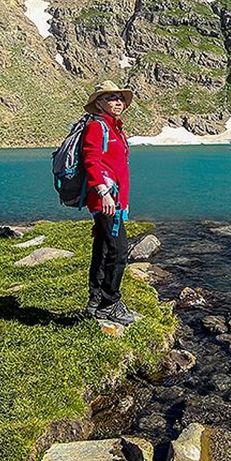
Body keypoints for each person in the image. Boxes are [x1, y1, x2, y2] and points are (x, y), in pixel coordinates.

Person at [80, 80, 138, 325]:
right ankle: (109, 303)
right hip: (105, 198)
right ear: (99, 103)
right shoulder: (97, 126)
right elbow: (90, 159)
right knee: (119, 250)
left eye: (120, 98)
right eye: (111, 98)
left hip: (114, 200)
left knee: (104, 248)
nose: (118, 102)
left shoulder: (115, 128)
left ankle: (95, 301)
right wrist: (103, 191)